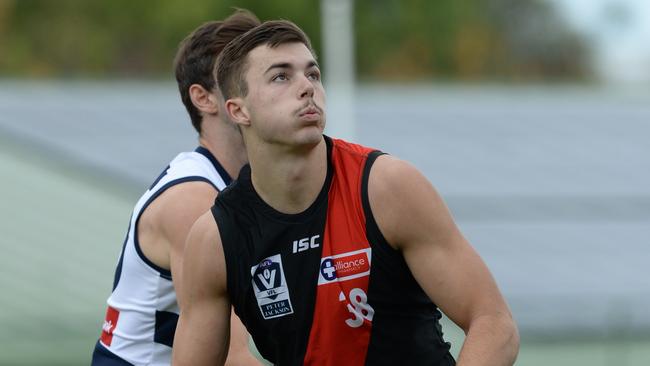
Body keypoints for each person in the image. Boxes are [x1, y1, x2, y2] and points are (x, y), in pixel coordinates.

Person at [172, 20, 520, 366]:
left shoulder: (386, 187)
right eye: (281, 76)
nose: (306, 87)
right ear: (238, 110)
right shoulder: (215, 238)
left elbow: (494, 324)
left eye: (313, 74)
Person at [91, 10, 263, 366]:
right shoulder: (194, 200)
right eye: (240, 74)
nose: (262, 86)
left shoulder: (252, 188)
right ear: (204, 98)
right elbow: (230, 358)